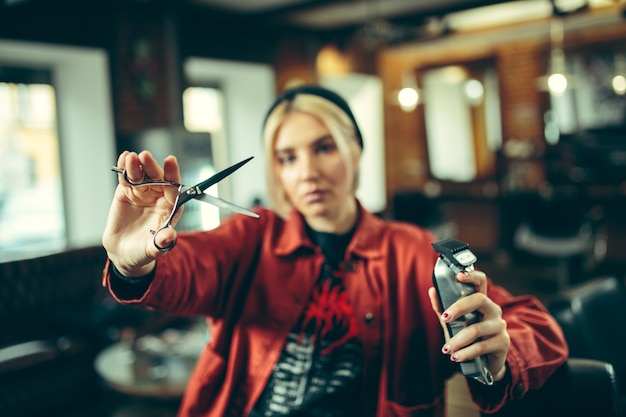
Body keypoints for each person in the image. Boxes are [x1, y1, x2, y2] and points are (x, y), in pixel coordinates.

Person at [101, 84, 568, 417]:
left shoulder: (411, 254)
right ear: (277, 173)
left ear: (355, 151)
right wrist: (131, 263)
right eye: (287, 157)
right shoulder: (248, 241)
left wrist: (501, 348)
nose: (306, 171)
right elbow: (184, 270)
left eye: (322, 147)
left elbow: (539, 327)